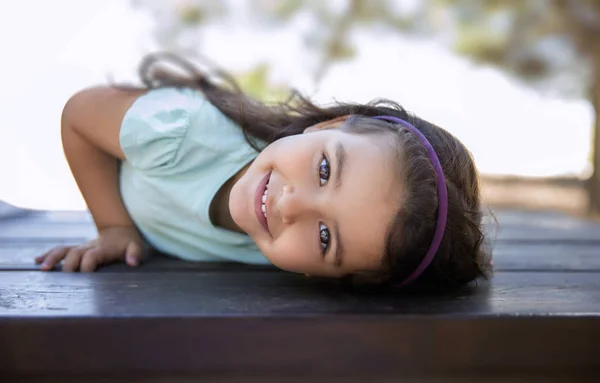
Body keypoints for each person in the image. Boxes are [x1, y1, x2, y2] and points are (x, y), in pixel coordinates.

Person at [35, 52, 492, 290]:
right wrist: (114, 226)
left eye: (326, 237)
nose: (291, 204)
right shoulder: (179, 131)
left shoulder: (287, 256)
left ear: (326, 277)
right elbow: (79, 115)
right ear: (328, 124)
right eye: (326, 169)